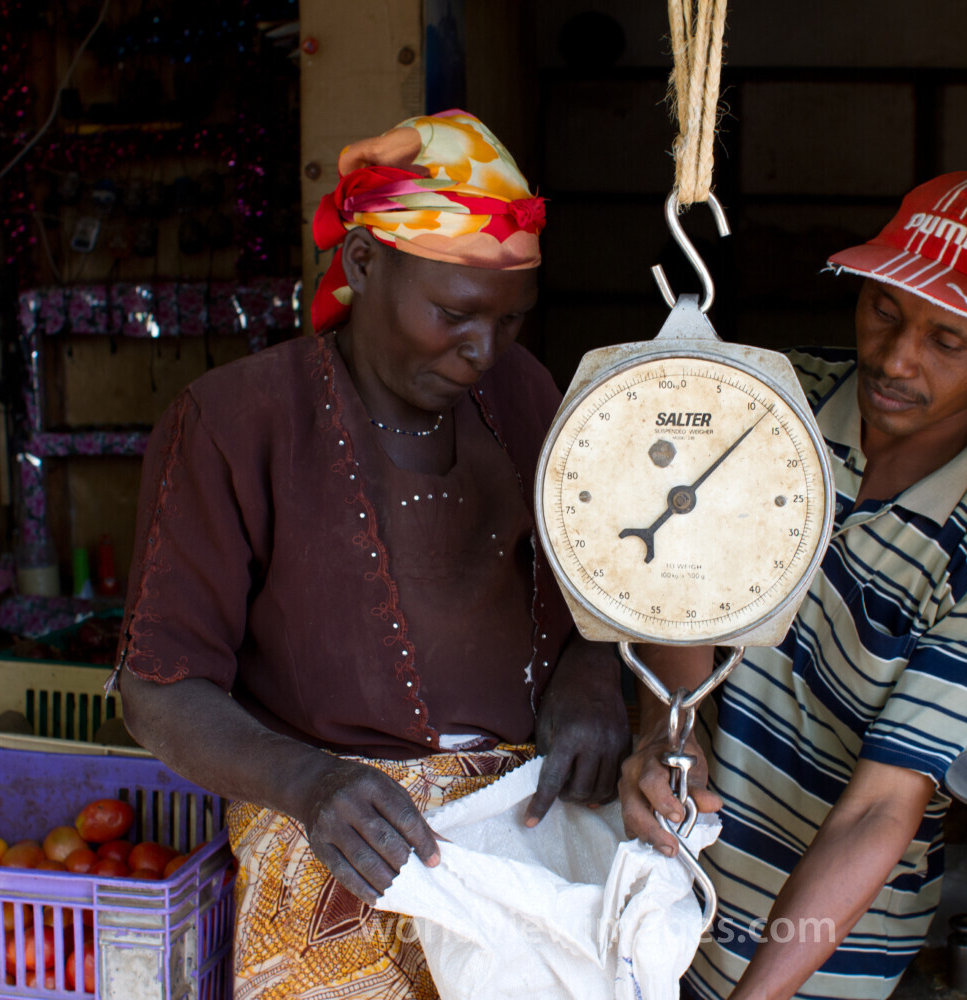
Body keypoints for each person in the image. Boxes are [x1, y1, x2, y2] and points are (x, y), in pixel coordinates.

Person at [115, 110, 630, 1000]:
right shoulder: (237, 420)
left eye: (511, 322)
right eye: (455, 315)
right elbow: (157, 690)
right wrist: (311, 783)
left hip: (533, 830)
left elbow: (609, 575)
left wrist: (589, 673)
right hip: (338, 843)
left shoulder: (527, 390)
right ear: (362, 264)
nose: (483, 349)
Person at [620, 172, 967, 1000]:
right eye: (884, 311)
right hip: (673, 875)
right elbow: (680, 583)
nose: (896, 359)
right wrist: (668, 730)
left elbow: (879, 811)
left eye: (947, 341)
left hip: (821, 950)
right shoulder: (773, 404)